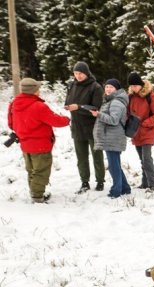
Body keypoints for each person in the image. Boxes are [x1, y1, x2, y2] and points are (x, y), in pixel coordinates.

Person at [7, 78, 70, 203]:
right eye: (38, 89)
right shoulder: (38, 106)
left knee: (31, 170)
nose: (39, 91)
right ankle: (37, 197)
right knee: (41, 171)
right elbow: (55, 120)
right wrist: (67, 120)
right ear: (33, 91)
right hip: (40, 145)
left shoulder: (13, 104)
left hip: (25, 144)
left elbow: (11, 124)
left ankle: (34, 192)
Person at [64, 61, 105, 193]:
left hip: (92, 127)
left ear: (86, 73)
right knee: (81, 157)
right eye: (76, 73)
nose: (78, 76)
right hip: (77, 126)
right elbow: (69, 102)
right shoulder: (71, 85)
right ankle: (84, 182)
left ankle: (100, 181)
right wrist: (68, 106)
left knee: (97, 156)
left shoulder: (95, 87)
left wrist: (79, 107)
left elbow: (97, 108)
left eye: (80, 73)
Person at [92, 79, 131, 198]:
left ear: (117, 89)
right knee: (115, 165)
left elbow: (113, 120)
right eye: (107, 87)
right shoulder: (111, 100)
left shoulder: (116, 102)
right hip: (110, 137)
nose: (108, 89)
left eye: (111, 87)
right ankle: (125, 188)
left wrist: (98, 114)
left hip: (113, 138)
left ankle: (116, 191)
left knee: (113, 166)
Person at [127, 72, 154, 191]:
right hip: (136, 132)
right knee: (142, 159)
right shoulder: (131, 97)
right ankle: (145, 182)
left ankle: (152, 184)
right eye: (131, 86)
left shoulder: (150, 96)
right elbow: (128, 113)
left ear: (140, 85)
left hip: (148, 131)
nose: (133, 88)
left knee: (147, 158)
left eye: (135, 86)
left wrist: (145, 123)